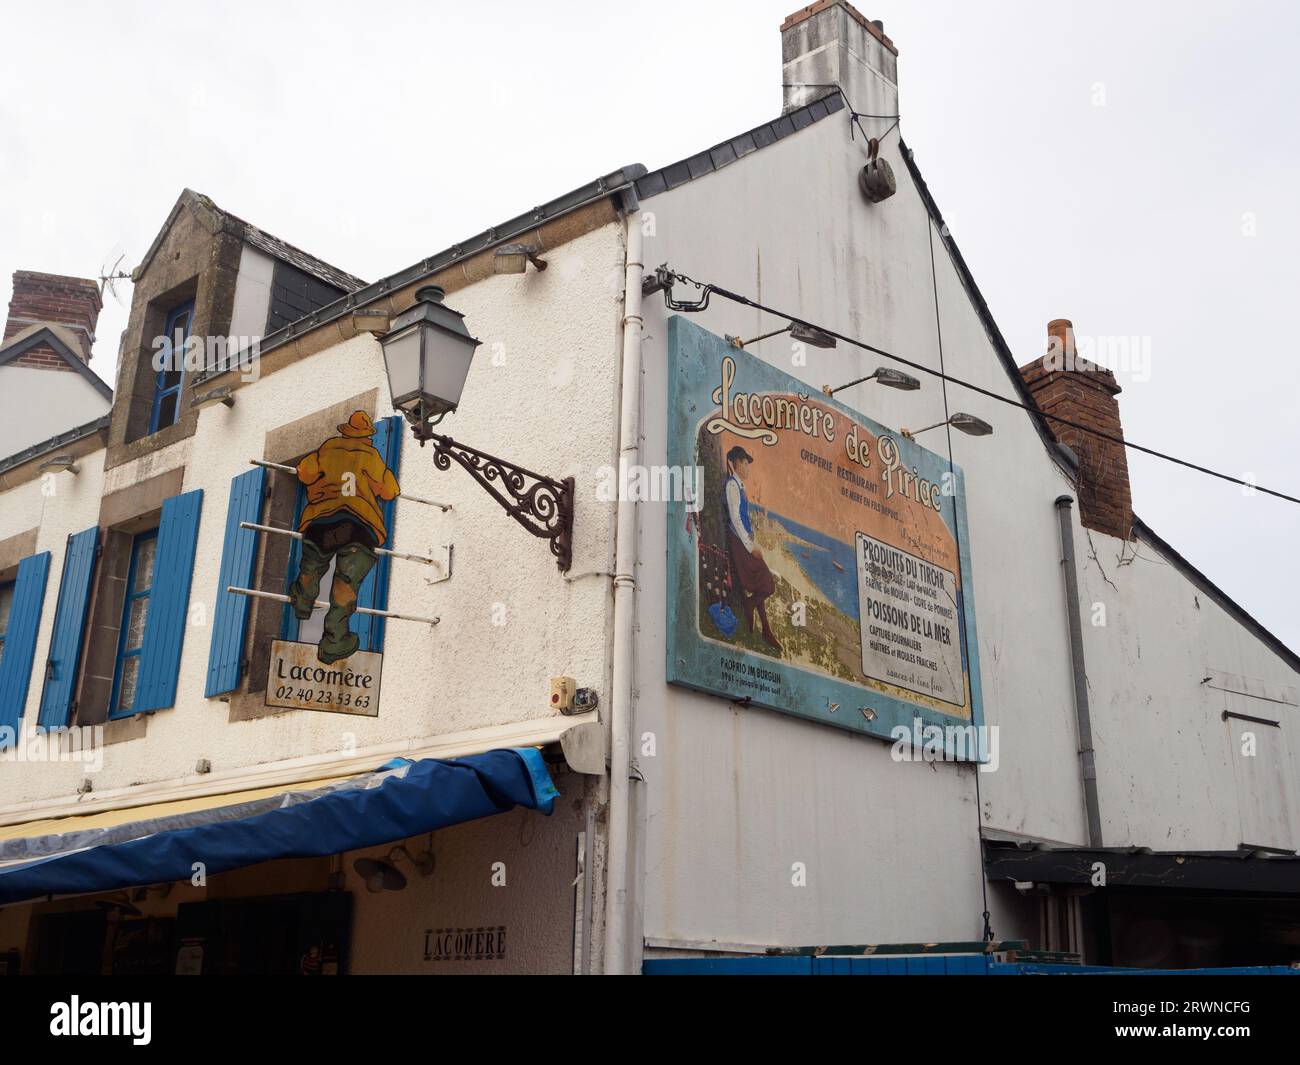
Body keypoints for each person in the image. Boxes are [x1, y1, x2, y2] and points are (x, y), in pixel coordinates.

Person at [288, 411, 400, 663]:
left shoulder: (328, 448)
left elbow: (304, 473)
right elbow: (390, 491)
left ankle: (303, 600)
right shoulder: (372, 457)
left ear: (346, 431)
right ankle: (334, 642)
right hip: (360, 527)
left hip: (324, 519)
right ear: (367, 436)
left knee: (312, 564)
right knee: (345, 587)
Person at [722, 445, 782, 652]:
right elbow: (735, 518)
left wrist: (752, 539)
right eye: (745, 463)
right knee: (767, 585)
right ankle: (750, 608)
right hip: (739, 544)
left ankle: (766, 630)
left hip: (743, 540)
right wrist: (750, 547)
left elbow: (744, 518)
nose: (748, 468)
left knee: (760, 587)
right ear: (736, 463)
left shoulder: (739, 486)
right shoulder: (732, 486)